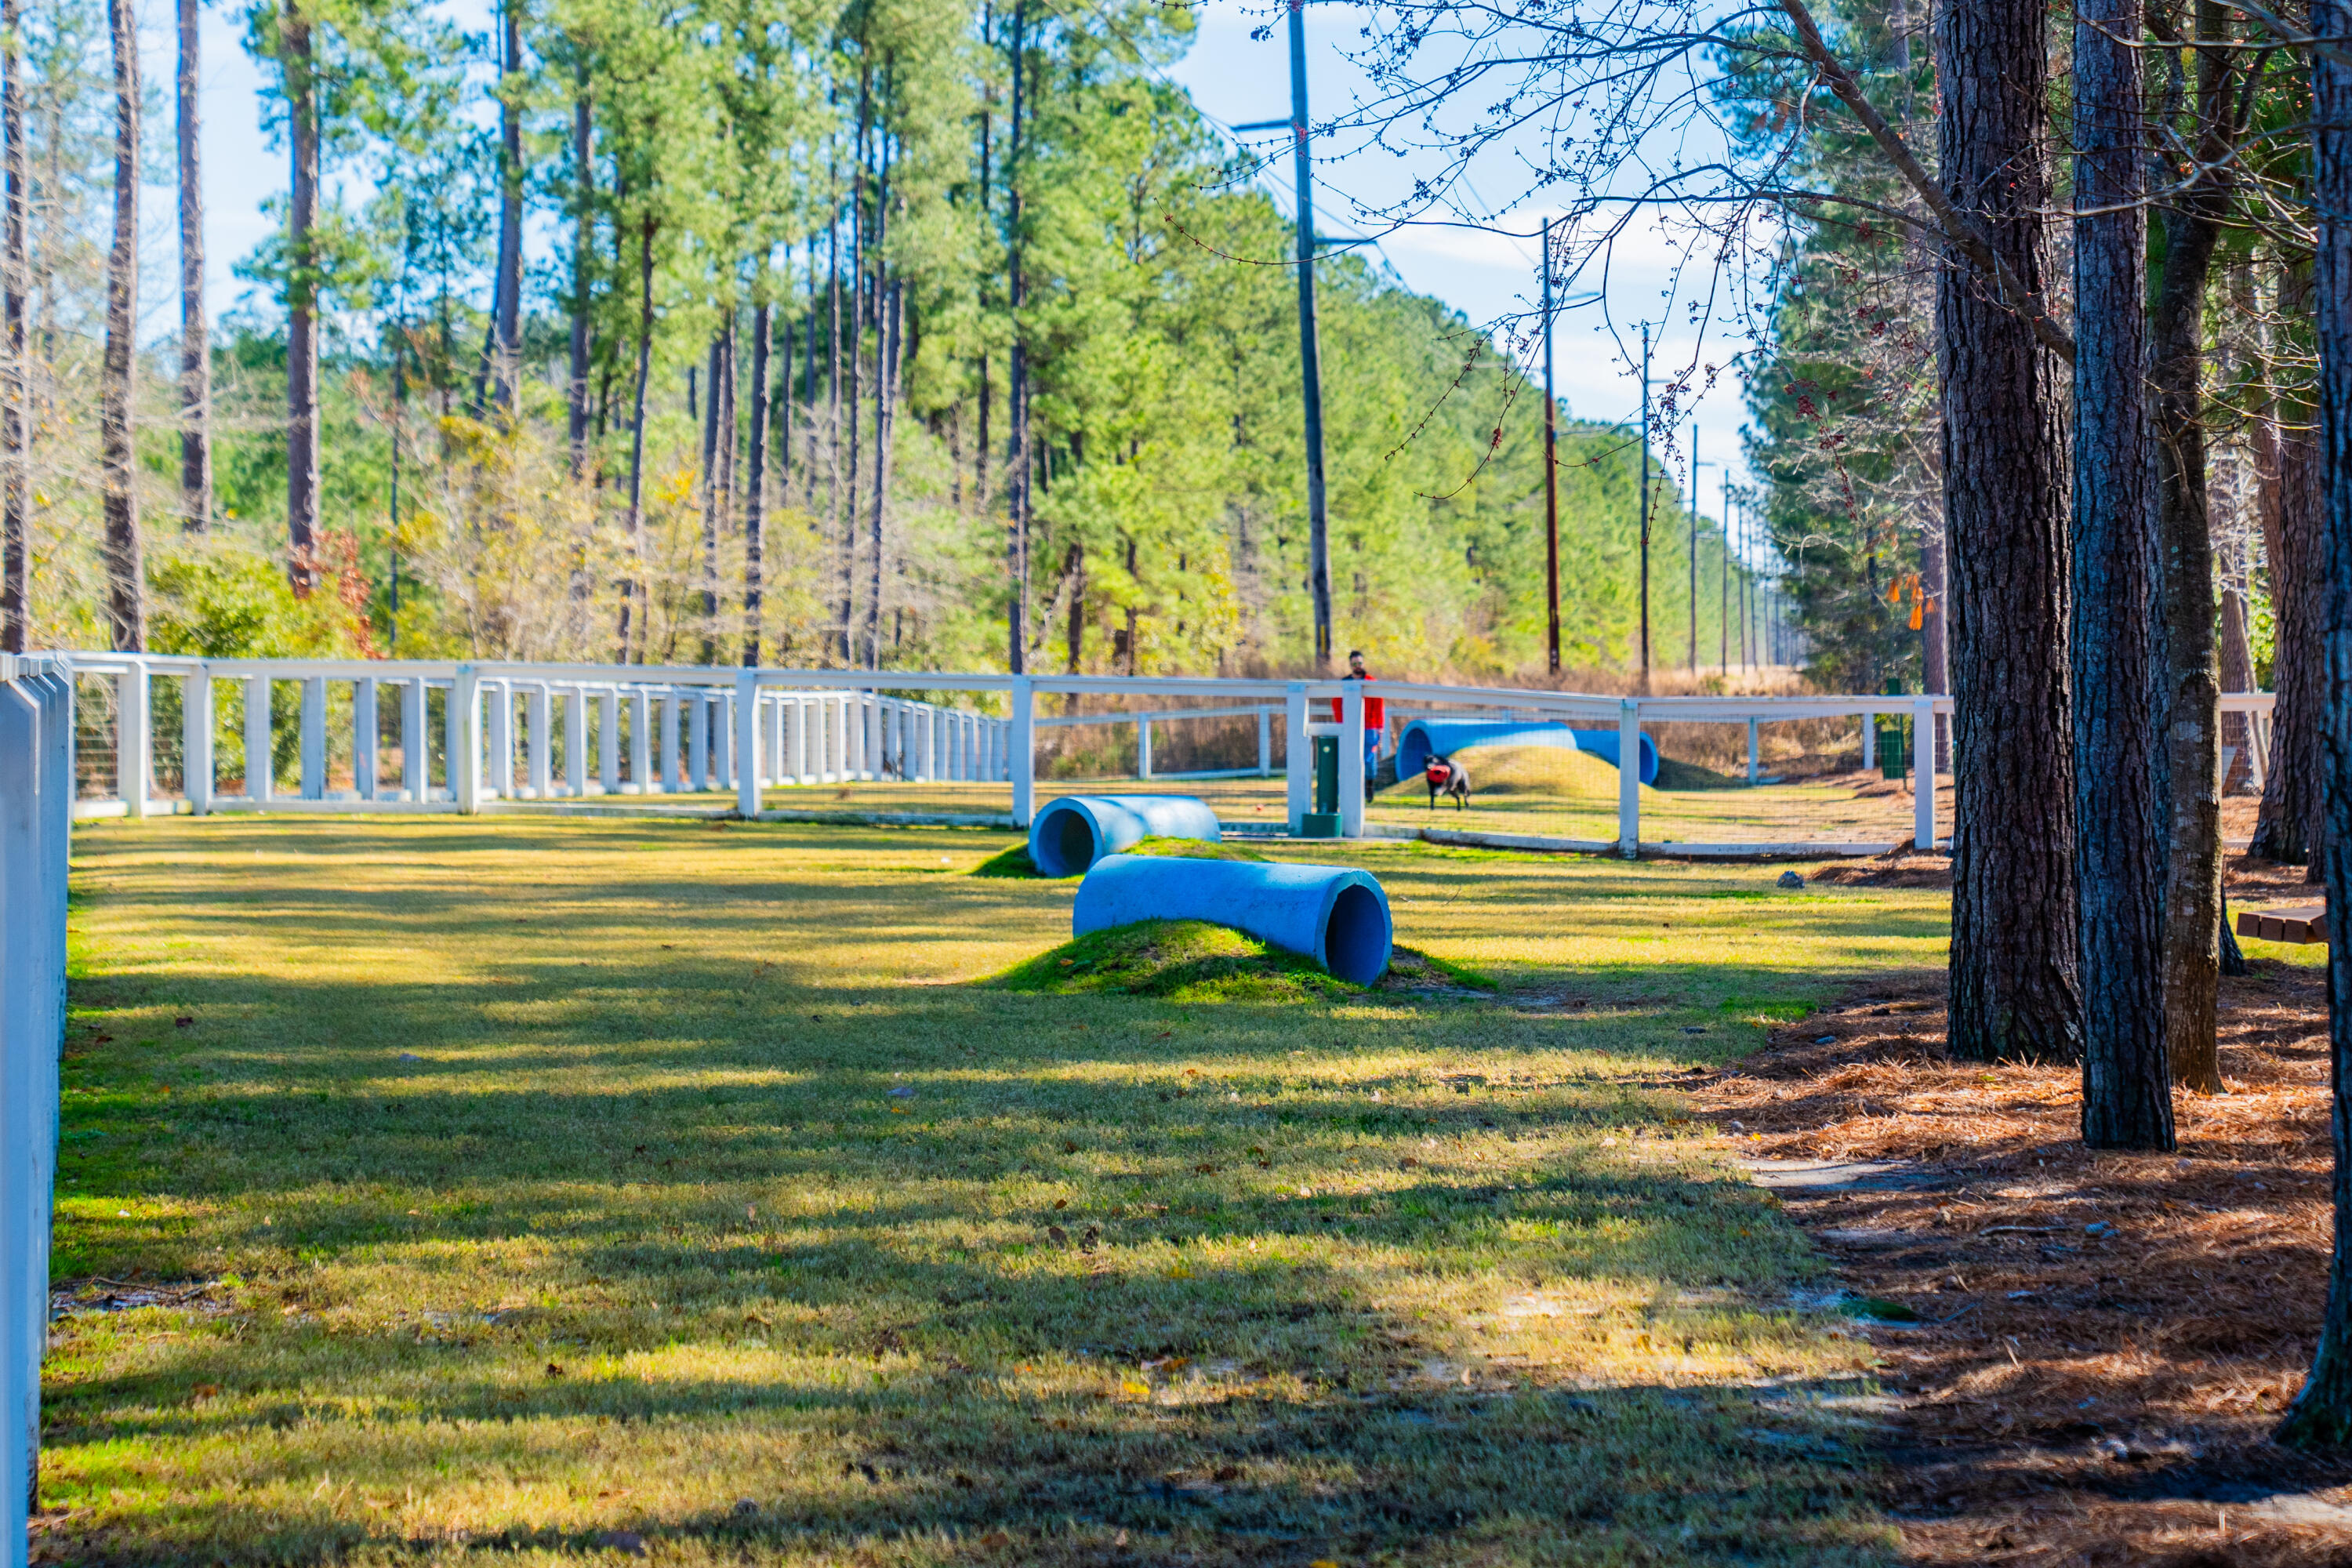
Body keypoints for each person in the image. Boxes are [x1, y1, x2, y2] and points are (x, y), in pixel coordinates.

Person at [1343, 649, 1385, 800]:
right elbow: (1337, 704)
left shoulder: (1371, 682)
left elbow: (1379, 705)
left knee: (1369, 758)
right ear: (1350, 665)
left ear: (1363, 663)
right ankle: (1353, 789)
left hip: (1370, 727)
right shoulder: (1344, 683)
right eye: (1354, 664)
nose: (1357, 666)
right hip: (1350, 726)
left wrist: (1380, 727)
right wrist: (1342, 723)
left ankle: (1369, 787)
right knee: (1350, 756)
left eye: (1359, 663)